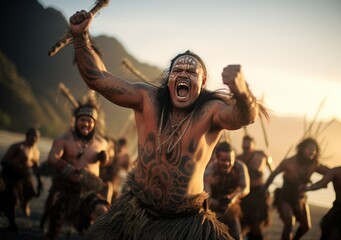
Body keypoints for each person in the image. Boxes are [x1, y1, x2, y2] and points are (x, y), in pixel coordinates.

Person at [69, 9, 266, 240]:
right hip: (135, 212)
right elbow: (99, 79)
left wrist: (242, 93)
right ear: (169, 78)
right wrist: (81, 39)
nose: (183, 73)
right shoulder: (147, 98)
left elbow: (244, 117)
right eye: (177, 70)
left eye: (191, 71)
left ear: (202, 81)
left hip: (185, 224)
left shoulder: (210, 110)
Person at [44, 102, 112, 240]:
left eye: (89, 121)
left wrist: (104, 158)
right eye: (82, 120)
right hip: (66, 188)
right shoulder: (64, 139)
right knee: (55, 223)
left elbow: (108, 160)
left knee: (102, 212)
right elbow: (52, 157)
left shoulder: (102, 142)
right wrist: (69, 170)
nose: (86, 124)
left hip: (90, 190)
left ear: (94, 124)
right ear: (76, 120)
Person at [263, 138, 329, 240]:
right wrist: (265, 189)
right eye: (310, 149)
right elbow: (273, 174)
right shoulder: (288, 162)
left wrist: (319, 184)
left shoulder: (314, 165)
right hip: (285, 197)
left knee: (306, 227)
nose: (313, 152)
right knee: (289, 223)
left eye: (315, 150)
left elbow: (331, 173)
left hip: (300, 198)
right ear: (302, 149)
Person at [303, 146, 341, 240]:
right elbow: (322, 183)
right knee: (331, 234)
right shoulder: (336, 172)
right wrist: (308, 188)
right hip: (340, 209)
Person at [204, 141, 250, 240]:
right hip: (213, 208)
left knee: (237, 236)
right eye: (223, 160)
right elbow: (206, 196)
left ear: (234, 158)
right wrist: (217, 203)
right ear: (216, 159)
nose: (227, 164)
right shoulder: (210, 171)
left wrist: (232, 198)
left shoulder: (240, 167)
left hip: (232, 207)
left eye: (229, 160)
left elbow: (245, 187)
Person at [0, 127, 42, 231]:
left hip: (25, 177)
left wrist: (39, 180)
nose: (33, 138)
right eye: (31, 136)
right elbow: (4, 160)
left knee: (31, 192)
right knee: (12, 200)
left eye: (36, 137)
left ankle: (25, 203)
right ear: (27, 136)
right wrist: (14, 165)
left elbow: (36, 167)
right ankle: (12, 223)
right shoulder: (18, 147)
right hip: (11, 176)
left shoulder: (36, 151)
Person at [236, 135, 272, 240]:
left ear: (253, 145)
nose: (246, 146)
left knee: (257, 221)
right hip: (244, 193)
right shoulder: (238, 158)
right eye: (244, 144)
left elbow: (273, 171)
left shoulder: (262, 155)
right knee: (242, 220)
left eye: (248, 144)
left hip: (259, 192)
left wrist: (266, 186)